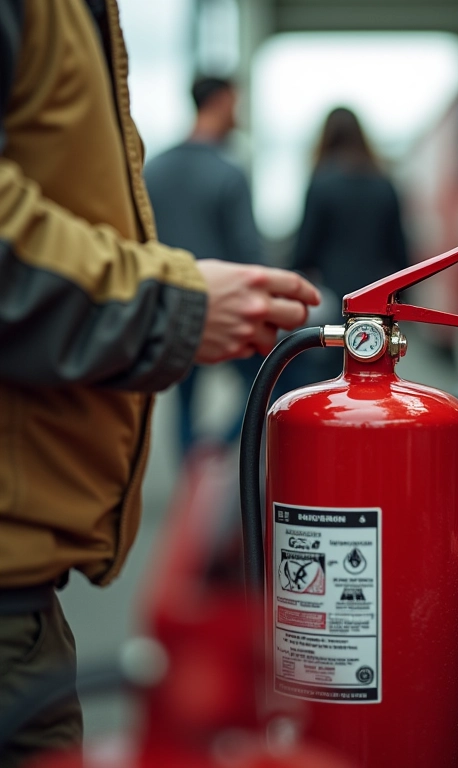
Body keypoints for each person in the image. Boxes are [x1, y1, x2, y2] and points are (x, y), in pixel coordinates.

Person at [0, 2, 319, 766]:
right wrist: (177, 304)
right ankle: (213, 466)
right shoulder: (225, 170)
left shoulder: (165, 160)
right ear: (225, 100)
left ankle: (190, 463)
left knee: (177, 415)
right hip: (170, 312)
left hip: (134, 338)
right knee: (241, 416)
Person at [144, 76, 266, 456]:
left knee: (183, 399)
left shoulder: (155, 169)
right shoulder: (228, 172)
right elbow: (249, 251)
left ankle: (190, 477)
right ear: (221, 101)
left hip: (171, 305)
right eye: (235, 102)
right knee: (265, 382)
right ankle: (216, 453)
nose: (238, 113)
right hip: (226, 308)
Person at [291, 106, 410, 383]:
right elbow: (400, 249)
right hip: (377, 301)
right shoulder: (384, 184)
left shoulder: (321, 183)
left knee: (328, 381)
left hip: (333, 300)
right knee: (375, 378)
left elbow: (304, 250)